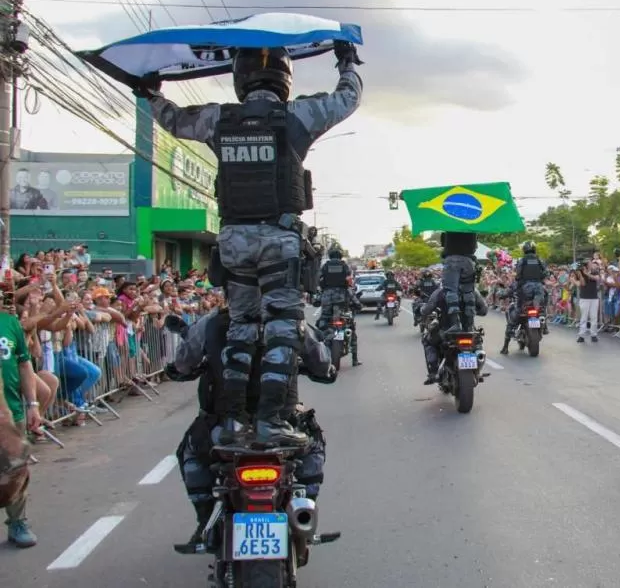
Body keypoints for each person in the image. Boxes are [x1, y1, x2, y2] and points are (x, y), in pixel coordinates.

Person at [135, 41, 363, 447]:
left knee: (241, 325)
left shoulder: (216, 119)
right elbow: (347, 98)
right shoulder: (297, 115)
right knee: (280, 327)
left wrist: (151, 92)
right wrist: (345, 61)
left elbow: (172, 120)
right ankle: (271, 421)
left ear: (239, 78)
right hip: (279, 239)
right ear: (285, 79)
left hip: (234, 240)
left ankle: (231, 422)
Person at [164, 302, 336, 552]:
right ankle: (306, 512)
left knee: (191, 453)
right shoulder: (292, 321)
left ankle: (204, 522)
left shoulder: (212, 322)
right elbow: (322, 364)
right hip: (283, 427)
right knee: (314, 446)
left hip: (224, 428)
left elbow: (182, 364)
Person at [0, 297, 42, 548]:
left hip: (11, 412)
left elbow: (25, 364)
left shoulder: (10, 323)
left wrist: (33, 404)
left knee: (16, 470)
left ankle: (17, 522)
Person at [417, 285, 488, 385]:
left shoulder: (440, 292)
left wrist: (422, 309)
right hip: (468, 330)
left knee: (427, 341)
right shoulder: (472, 290)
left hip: (446, 331)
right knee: (477, 342)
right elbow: (484, 310)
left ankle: (433, 371)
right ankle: (478, 371)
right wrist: (472, 312)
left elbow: (426, 310)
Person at [500, 241, 549, 355]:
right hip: (539, 288)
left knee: (513, 317)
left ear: (524, 250)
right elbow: (545, 272)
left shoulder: (523, 261)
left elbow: (518, 274)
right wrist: (539, 279)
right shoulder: (539, 260)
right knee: (543, 304)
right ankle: (545, 326)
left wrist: (518, 282)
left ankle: (505, 347)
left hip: (525, 290)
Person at [440, 231, 479, 332]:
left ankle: (455, 323)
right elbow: (475, 247)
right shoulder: (472, 227)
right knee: (468, 291)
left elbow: (443, 242)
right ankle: (470, 324)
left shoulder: (450, 225)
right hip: (468, 260)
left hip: (452, 259)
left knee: (451, 290)